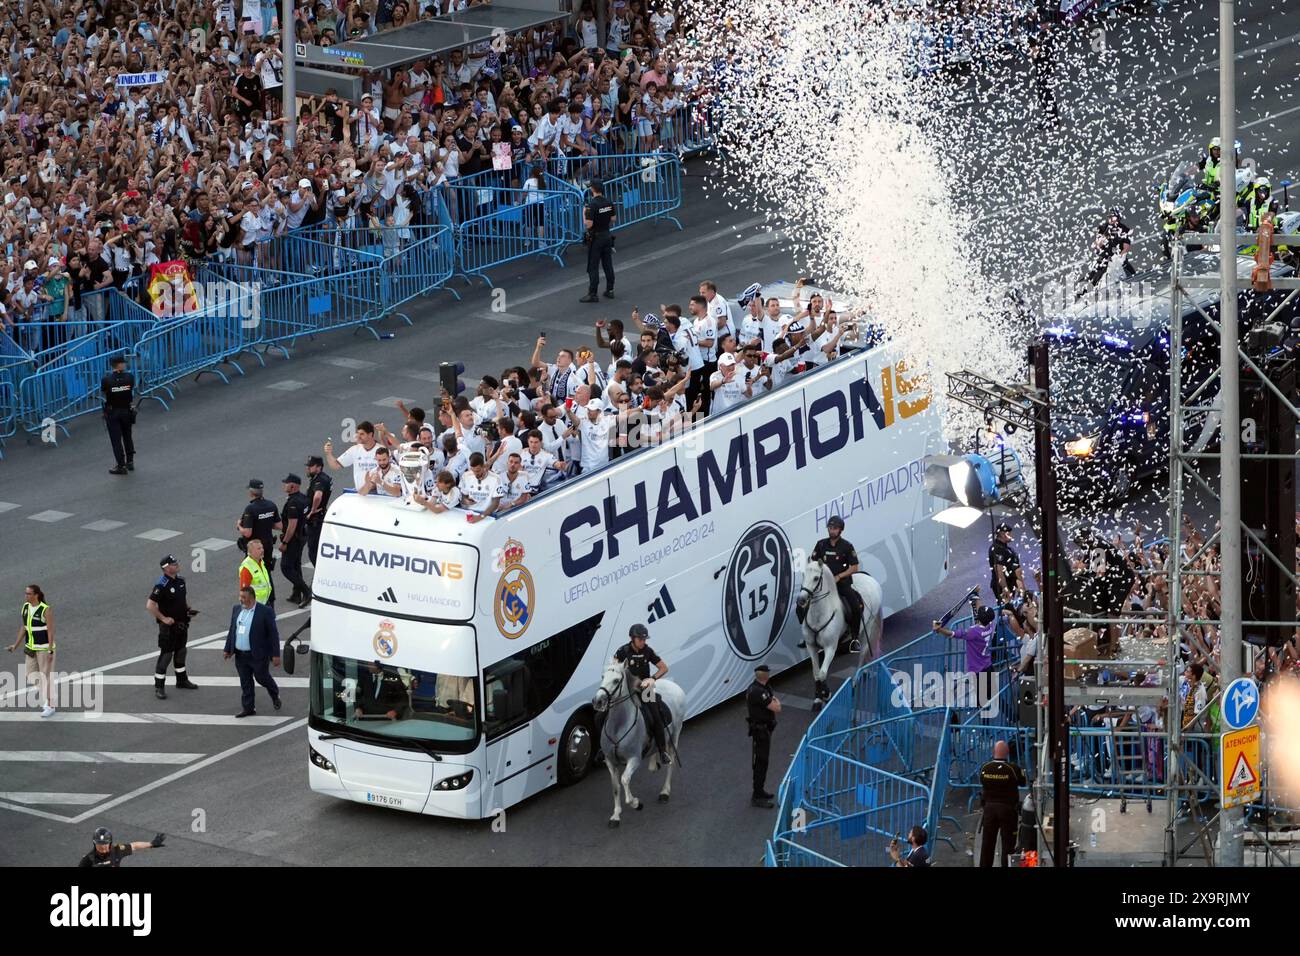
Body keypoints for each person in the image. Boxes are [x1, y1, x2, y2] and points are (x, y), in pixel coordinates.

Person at [806, 515, 866, 651]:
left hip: (841, 583)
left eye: (835, 528)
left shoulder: (847, 546)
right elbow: (813, 562)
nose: (831, 530)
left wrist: (839, 576)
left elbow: (854, 567)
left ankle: (854, 638)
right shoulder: (821, 544)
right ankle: (808, 636)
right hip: (824, 584)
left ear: (840, 530)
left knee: (855, 607)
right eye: (830, 528)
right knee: (803, 603)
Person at [613, 623, 671, 764]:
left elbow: (664, 668)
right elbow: (614, 670)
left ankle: (662, 751)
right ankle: (604, 749)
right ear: (632, 638)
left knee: (656, 716)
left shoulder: (648, 651)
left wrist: (652, 679)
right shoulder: (622, 651)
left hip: (646, 689)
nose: (643, 642)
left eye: (645, 639)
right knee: (604, 715)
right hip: (627, 690)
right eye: (640, 639)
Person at [223, 585, 282, 718]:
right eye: (240, 596)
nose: (241, 599)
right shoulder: (237, 609)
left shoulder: (265, 611)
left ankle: (274, 693)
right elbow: (232, 630)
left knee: (262, 678)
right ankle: (248, 708)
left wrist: (276, 655)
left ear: (252, 598)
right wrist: (228, 649)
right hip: (240, 655)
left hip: (258, 654)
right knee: (245, 682)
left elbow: (273, 634)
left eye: (244, 597)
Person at [146, 555, 199, 700]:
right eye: (174, 564)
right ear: (166, 568)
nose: (177, 565)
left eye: (176, 562)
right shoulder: (161, 585)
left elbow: (182, 599)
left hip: (182, 623)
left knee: (181, 651)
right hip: (168, 628)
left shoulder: (181, 581)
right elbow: (150, 605)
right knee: (166, 655)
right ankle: (159, 686)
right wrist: (163, 618)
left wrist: (187, 609)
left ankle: (181, 680)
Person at [8, 584, 56, 717]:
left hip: (44, 648)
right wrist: (15, 645)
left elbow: (51, 631)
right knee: (31, 675)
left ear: (36, 595)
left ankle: (51, 705)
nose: (26, 596)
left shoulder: (45, 609)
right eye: (25, 593)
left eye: (28, 594)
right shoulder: (25, 607)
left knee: (45, 677)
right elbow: (24, 627)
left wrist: (50, 651)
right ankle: (49, 698)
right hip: (30, 648)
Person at [977, 739, 1027, 867]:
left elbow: (982, 783)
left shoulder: (985, 768)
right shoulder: (1013, 769)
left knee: (987, 844)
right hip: (1008, 811)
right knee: (1008, 846)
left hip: (989, 810)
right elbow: (1023, 782)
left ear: (993, 751)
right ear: (1007, 752)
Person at [746, 663, 780, 808]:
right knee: (761, 762)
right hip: (761, 732)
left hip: (764, 730)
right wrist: (776, 700)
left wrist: (773, 700)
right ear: (765, 675)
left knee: (763, 762)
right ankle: (757, 795)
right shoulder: (759, 691)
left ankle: (760, 791)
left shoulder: (760, 688)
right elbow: (777, 707)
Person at [579, 179, 616, 303]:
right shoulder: (609, 202)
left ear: (593, 189)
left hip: (596, 238)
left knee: (593, 267)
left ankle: (593, 293)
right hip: (607, 235)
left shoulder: (592, 205)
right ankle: (610, 290)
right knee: (607, 264)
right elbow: (613, 218)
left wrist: (584, 213)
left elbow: (588, 225)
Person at [100, 353, 136, 475]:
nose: (125, 364)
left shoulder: (106, 380)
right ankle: (130, 461)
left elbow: (105, 392)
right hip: (126, 410)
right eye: (123, 362)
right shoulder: (130, 377)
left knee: (116, 439)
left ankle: (121, 465)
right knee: (127, 436)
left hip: (113, 411)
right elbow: (131, 387)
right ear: (119, 364)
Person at [933, 604, 996, 674]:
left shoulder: (973, 632)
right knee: (991, 685)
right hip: (989, 666)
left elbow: (952, 634)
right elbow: (984, 614)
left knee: (981, 685)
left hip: (978, 670)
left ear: (979, 617)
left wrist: (939, 629)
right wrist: (976, 597)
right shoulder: (991, 625)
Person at [237, 479, 282, 575]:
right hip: (268, 546)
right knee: (266, 573)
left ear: (251, 492)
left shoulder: (250, 509)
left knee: (252, 574)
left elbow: (247, 533)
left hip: (255, 547)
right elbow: (279, 526)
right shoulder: (271, 505)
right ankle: (270, 590)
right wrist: (265, 522)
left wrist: (239, 526)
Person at [279, 474, 311, 607]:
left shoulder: (292, 503)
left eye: (286, 483)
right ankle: (296, 594)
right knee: (296, 565)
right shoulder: (303, 498)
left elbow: (292, 525)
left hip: (293, 538)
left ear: (293, 486)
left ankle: (306, 592)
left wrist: (285, 542)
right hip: (302, 535)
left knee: (286, 567)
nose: (284, 485)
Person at [78, 827, 166, 868]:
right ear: (94, 844)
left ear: (110, 843)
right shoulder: (88, 859)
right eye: (99, 846)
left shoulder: (117, 850)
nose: (102, 849)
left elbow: (134, 845)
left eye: (104, 845)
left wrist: (151, 844)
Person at [304, 455, 333, 568]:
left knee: (314, 551)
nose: (308, 468)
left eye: (311, 466)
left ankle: (320, 575)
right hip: (320, 517)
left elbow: (317, 496)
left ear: (319, 467)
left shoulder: (319, 480)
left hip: (316, 520)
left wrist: (312, 510)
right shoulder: (323, 477)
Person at [988, 522, 1024, 600]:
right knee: (1007, 608)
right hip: (1003, 585)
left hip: (1012, 583)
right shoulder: (996, 549)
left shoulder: (1008, 549)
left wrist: (1020, 583)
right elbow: (999, 570)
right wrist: (1005, 588)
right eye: (1009, 534)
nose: (1012, 536)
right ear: (1002, 534)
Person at [239, 538, 275, 608]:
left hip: (265, 602)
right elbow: (244, 592)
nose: (262, 550)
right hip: (255, 606)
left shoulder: (260, 561)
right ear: (251, 552)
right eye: (259, 549)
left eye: (262, 548)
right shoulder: (247, 568)